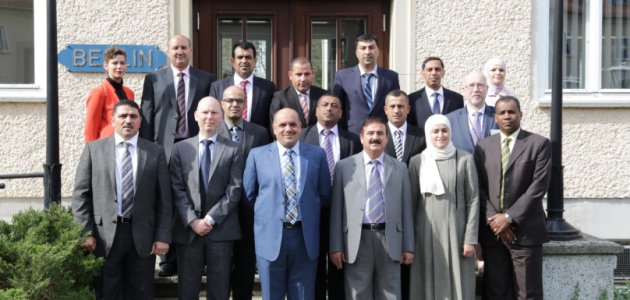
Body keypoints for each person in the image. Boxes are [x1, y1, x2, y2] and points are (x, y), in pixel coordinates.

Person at [72, 100, 172, 299]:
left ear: (140, 121)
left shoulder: (154, 151)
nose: (128, 120)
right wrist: (86, 232)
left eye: (133, 116)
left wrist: (162, 236)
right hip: (104, 236)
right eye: (123, 116)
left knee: (141, 292)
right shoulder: (94, 150)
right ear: (113, 120)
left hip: (143, 236)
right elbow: (81, 195)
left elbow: (164, 199)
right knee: (107, 292)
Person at [140, 34, 215, 276]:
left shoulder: (206, 79)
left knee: (196, 197)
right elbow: (147, 115)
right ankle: (167, 260)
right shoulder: (153, 78)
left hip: (196, 147)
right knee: (166, 201)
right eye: (175, 48)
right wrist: (148, 148)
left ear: (190, 50)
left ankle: (199, 258)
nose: (180, 52)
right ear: (168, 52)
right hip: (163, 149)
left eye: (184, 47)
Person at [243, 108, 331, 300]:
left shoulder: (317, 155)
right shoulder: (257, 155)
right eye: (282, 125)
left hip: (304, 237)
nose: (288, 129)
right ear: (274, 128)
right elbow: (249, 196)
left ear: (300, 127)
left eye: (293, 124)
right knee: (271, 295)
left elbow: (323, 194)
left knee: (303, 295)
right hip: (270, 237)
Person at [474, 96, 551, 299]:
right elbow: (479, 188)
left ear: (520, 115)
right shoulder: (483, 147)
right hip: (494, 234)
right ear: (495, 117)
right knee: (496, 292)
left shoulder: (539, 144)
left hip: (525, 232)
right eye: (502, 113)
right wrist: (494, 219)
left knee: (528, 293)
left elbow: (538, 188)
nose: (507, 116)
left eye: (511, 112)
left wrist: (508, 218)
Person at [329, 118, 414, 300]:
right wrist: (336, 245)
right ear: (361, 137)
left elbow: (406, 209)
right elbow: (337, 210)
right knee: (357, 294)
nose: (375, 137)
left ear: (386, 138)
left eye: (380, 133)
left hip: (390, 239)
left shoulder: (400, 168)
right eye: (370, 133)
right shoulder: (344, 167)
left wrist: (408, 246)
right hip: (357, 241)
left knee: (391, 293)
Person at [169, 96, 243, 300]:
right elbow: (176, 188)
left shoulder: (234, 149)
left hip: (221, 230)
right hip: (188, 231)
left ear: (221, 116)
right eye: (205, 112)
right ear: (195, 116)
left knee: (219, 291)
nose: (209, 116)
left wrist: (210, 219)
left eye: (214, 112)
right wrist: (192, 220)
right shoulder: (180, 149)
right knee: (187, 289)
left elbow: (234, 189)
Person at [408, 114, 479, 300]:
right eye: (435, 131)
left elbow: (473, 200)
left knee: (458, 284)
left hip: (457, 231)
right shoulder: (417, 161)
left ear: (451, 132)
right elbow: (411, 203)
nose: (441, 135)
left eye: (444, 130)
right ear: (428, 134)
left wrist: (470, 238)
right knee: (426, 285)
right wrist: (410, 241)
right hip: (425, 233)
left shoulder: (465, 159)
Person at [300, 93, 362, 300]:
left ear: (341, 113)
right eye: (324, 105)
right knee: (313, 264)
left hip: (343, 213)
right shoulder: (302, 137)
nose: (329, 109)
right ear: (316, 111)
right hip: (312, 212)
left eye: (334, 106)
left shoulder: (352, 140)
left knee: (340, 263)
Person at [217, 86, 271, 300]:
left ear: (245, 104)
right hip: (220, 209)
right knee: (219, 268)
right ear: (222, 103)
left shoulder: (259, 133)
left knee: (246, 265)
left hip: (249, 210)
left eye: (239, 101)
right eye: (229, 100)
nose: (234, 105)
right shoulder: (212, 129)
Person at [332, 33, 400, 134]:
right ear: (356, 53)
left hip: (382, 135)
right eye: (363, 48)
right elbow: (337, 107)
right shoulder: (343, 76)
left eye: (371, 47)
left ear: (378, 51)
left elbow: (396, 105)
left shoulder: (391, 77)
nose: (367, 52)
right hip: (352, 135)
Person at [210, 41, 277, 131]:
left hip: (259, 142)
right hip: (225, 141)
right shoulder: (217, 87)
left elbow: (272, 119)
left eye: (248, 57)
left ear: (255, 61)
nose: (244, 61)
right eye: (240, 57)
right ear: (233, 62)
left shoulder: (268, 87)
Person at [84, 46, 135, 142]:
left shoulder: (130, 93)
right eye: (115, 63)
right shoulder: (98, 92)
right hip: (105, 147)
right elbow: (90, 128)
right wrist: (91, 153)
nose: (119, 67)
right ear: (106, 65)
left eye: (122, 63)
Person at [447, 71, 499, 154]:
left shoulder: (499, 116)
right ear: (464, 89)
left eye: (480, 85)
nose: (476, 90)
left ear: (487, 89)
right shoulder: (450, 120)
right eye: (471, 85)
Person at [270, 57, 328, 128]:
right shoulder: (280, 98)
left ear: (312, 74)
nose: (303, 79)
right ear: (290, 75)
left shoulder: (324, 96)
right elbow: (275, 127)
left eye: (307, 74)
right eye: (299, 74)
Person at [408, 57, 464, 130]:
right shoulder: (412, 99)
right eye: (429, 69)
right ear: (422, 73)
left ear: (443, 73)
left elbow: (459, 126)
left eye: (437, 69)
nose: (433, 73)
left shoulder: (456, 99)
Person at [383, 90, 426, 165]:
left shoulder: (421, 135)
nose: (396, 111)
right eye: (392, 106)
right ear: (386, 110)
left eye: (400, 106)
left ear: (408, 109)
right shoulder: (377, 134)